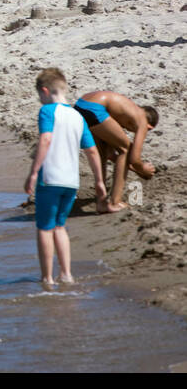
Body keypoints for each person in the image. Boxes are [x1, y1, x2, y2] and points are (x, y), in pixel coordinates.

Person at [27, 69, 108, 286]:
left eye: (39, 96)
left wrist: (33, 173)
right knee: (60, 227)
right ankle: (67, 274)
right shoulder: (77, 116)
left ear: (44, 91)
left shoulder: (47, 111)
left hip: (50, 178)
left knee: (45, 228)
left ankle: (47, 278)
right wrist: (99, 181)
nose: (40, 100)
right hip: (71, 182)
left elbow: (45, 139)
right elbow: (92, 151)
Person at [74, 90, 158, 211]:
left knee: (102, 152)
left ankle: (101, 201)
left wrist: (135, 169)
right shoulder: (142, 121)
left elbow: (110, 155)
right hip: (95, 108)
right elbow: (134, 158)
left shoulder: (122, 112)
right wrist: (143, 169)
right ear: (149, 127)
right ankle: (115, 202)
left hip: (80, 105)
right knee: (126, 149)